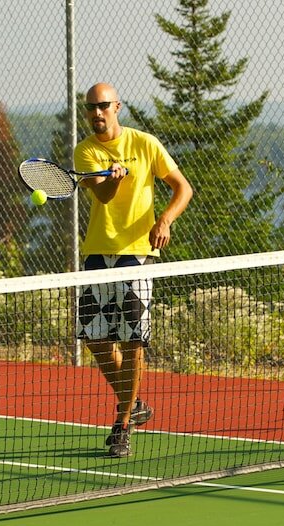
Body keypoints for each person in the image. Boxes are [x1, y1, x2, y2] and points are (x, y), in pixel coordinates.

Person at [74, 82, 193, 458]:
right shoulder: (85, 151)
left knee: (132, 342)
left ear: (117, 107)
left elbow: (183, 188)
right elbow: (103, 195)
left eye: (103, 106)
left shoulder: (145, 144)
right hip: (97, 254)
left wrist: (165, 220)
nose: (96, 113)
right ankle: (134, 401)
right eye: (90, 107)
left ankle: (122, 424)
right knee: (96, 340)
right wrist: (113, 178)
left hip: (137, 256)